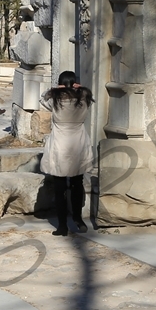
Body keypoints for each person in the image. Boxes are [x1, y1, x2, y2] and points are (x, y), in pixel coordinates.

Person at [39, 71, 94, 234]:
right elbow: (88, 94)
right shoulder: (84, 99)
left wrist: (54, 89)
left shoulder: (55, 101)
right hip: (78, 143)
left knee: (59, 186)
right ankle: (78, 220)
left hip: (59, 144)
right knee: (78, 184)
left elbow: (42, 99)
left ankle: (62, 225)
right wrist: (81, 88)